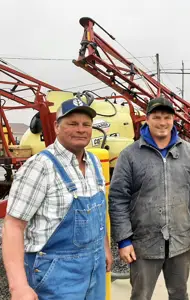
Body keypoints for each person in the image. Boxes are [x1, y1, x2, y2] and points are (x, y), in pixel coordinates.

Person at [2, 98, 113, 300]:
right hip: (56, 276)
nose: (81, 129)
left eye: (86, 124)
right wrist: (18, 286)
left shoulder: (94, 163)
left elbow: (97, 212)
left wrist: (104, 247)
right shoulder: (40, 166)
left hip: (94, 269)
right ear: (57, 126)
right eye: (72, 123)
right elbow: (13, 225)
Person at [109, 96, 190, 300]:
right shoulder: (130, 155)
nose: (162, 122)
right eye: (156, 117)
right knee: (141, 295)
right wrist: (123, 240)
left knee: (179, 293)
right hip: (143, 244)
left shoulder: (189, 153)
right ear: (147, 119)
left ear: (173, 120)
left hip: (180, 241)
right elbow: (118, 198)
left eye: (167, 117)